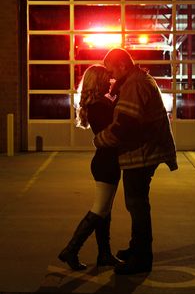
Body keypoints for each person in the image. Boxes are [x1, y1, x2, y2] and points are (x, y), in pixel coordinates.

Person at [94, 48, 178, 275]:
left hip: (141, 155)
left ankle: (141, 258)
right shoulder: (138, 79)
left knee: (137, 205)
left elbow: (125, 124)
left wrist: (100, 139)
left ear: (121, 65)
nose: (111, 76)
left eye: (112, 71)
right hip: (143, 153)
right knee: (137, 205)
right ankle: (136, 248)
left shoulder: (134, 85)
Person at [58, 64, 122, 271]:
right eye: (107, 78)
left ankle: (104, 254)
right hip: (106, 162)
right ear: (98, 81)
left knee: (105, 210)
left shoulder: (97, 104)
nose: (110, 82)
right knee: (100, 209)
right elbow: (116, 128)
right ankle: (71, 250)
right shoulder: (100, 106)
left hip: (106, 161)